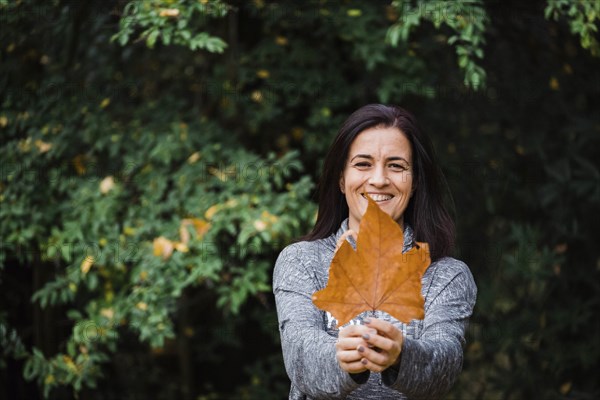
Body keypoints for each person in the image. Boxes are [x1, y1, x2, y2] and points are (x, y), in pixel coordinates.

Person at [273, 104, 477, 399]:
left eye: (396, 165)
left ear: (416, 181)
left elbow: (442, 364)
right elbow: (301, 357)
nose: (379, 179)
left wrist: (401, 355)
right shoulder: (302, 261)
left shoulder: (445, 275)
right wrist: (343, 359)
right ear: (341, 179)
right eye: (363, 164)